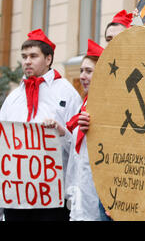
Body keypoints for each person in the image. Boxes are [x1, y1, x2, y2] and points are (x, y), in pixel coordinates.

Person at [0, 29, 82, 221]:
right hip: (17, 196)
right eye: (24, 56)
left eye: (33, 56)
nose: (27, 61)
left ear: (48, 59)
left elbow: (80, 142)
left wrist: (62, 133)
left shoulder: (67, 93)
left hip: (52, 196)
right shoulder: (13, 98)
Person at [45, 39, 105, 221]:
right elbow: (77, 150)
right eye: (81, 71)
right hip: (80, 193)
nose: (83, 76)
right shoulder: (85, 105)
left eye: (89, 71)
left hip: (97, 196)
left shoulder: (107, 107)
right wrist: (62, 131)